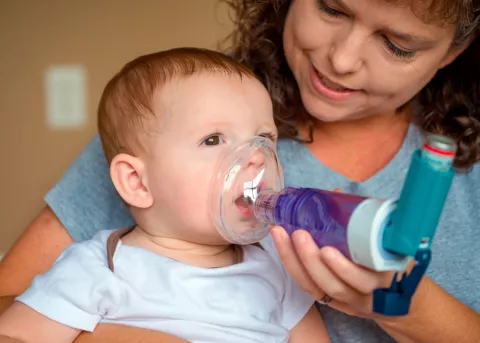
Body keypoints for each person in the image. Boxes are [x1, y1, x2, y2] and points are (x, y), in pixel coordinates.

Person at [0, 0, 479, 342]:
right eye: (333, 9)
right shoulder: (98, 266)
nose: (342, 60)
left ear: (457, 50)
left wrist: (412, 310)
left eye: (397, 44)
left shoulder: (271, 270)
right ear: (136, 181)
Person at [0, 48, 329, 343]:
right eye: (213, 140)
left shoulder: (275, 264)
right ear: (137, 183)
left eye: (264, 137)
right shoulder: (99, 269)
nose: (256, 156)